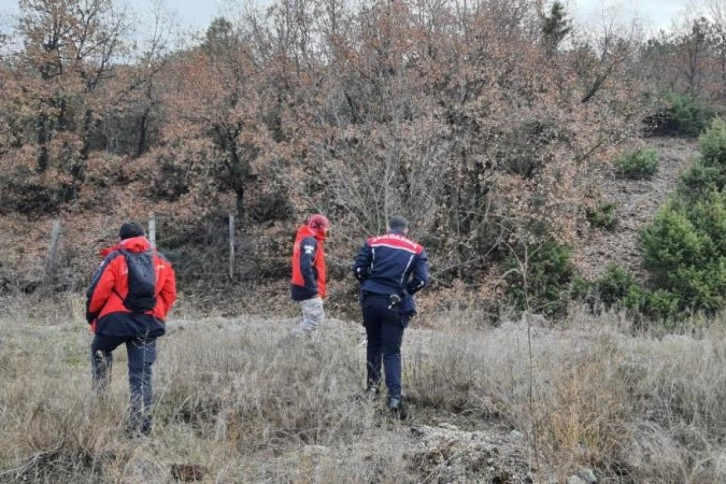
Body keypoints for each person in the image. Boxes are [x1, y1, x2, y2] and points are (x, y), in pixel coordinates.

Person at [86, 222, 177, 436]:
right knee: (141, 374)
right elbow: (169, 294)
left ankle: (101, 406)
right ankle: (140, 428)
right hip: (148, 323)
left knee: (99, 352)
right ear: (144, 237)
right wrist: (156, 313)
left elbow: (97, 291)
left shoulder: (115, 258)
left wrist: (93, 317)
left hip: (114, 321)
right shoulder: (161, 260)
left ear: (121, 239)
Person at [353, 215, 429, 417]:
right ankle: (394, 398)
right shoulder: (417, 250)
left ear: (388, 227)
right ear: (406, 230)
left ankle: (372, 390)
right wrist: (406, 292)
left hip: (371, 299)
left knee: (373, 344)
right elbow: (422, 280)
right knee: (392, 351)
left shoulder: (373, 242)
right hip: (395, 302)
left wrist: (368, 284)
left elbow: (359, 269)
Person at [290, 214, 330, 337]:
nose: (328, 230)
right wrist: (313, 289)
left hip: (301, 285)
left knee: (308, 320)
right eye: (326, 227)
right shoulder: (309, 240)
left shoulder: (306, 238)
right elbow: (305, 266)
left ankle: (306, 350)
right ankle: (289, 343)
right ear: (321, 227)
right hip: (307, 287)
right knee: (315, 319)